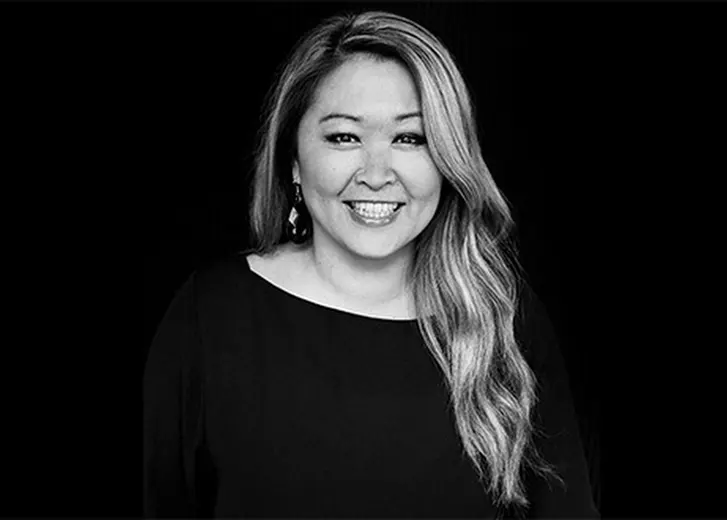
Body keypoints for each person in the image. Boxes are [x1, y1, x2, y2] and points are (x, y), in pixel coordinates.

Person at [143, 10, 599, 519]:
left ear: (447, 162)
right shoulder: (211, 316)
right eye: (344, 137)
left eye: (410, 138)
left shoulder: (503, 319)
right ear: (294, 160)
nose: (377, 174)